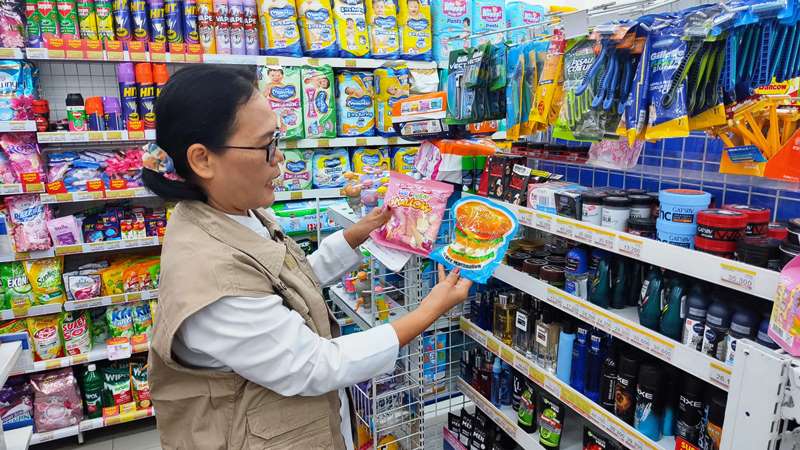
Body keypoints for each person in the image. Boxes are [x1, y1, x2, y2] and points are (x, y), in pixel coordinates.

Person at [143, 65, 472, 449]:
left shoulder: (235, 212)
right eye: (266, 145)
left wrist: (356, 234)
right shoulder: (211, 276)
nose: (279, 157)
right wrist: (426, 313)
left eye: (277, 139)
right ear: (202, 159)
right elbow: (316, 365)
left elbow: (285, 285)